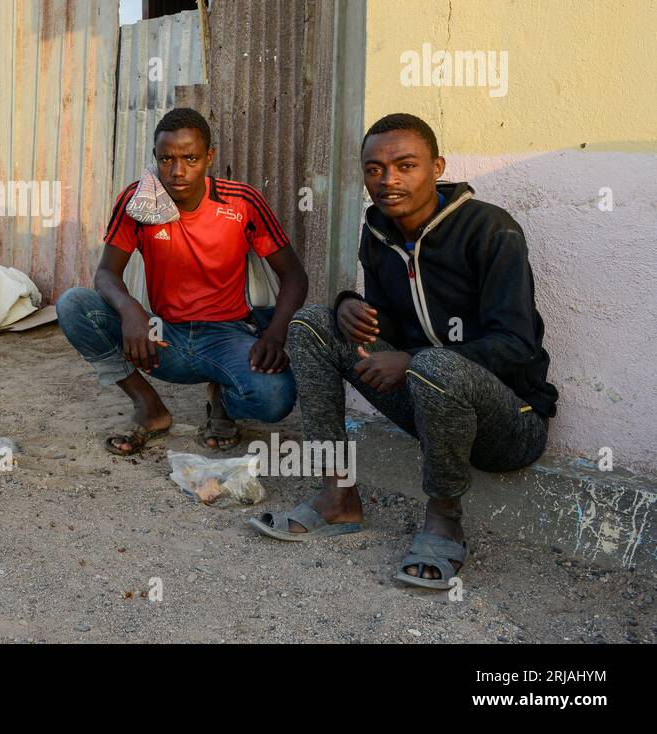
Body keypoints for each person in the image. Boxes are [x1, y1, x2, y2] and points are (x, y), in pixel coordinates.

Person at [253, 113, 554, 590]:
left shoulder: (490, 229)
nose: (387, 180)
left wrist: (412, 361)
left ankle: (444, 516)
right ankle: (337, 494)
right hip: (423, 401)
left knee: (434, 364)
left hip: (507, 423)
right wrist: (351, 306)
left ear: (436, 167)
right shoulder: (379, 232)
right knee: (312, 322)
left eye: (404, 165)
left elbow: (515, 344)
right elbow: (390, 320)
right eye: (373, 169)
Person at [56, 108, 308, 456]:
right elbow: (106, 273)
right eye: (166, 159)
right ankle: (149, 408)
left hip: (228, 335)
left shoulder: (242, 202)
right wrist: (131, 311)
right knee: (73, 305)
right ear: (155, 159)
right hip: (162, 335)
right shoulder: (139, 203)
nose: (177, 171)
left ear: (209, 157)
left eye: (190, 158)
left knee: (275, 398)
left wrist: (275, 335)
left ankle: (223, 399)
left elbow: (294, 274)